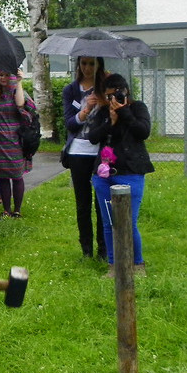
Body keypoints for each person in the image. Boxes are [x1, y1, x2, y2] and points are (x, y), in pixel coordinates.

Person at [87, 73, 155, 275]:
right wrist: (110, 122)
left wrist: (124, 113)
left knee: (128, 222)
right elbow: (93, 137)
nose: (112, 100)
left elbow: (143, 131)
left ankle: (137, 264)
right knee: (109, 222)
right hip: (104, 175)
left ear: (126, 92)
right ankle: (114, 265)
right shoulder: (103, 112)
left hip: (131, 172)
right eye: (108, 96)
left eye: (116, 95)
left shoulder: (137, 107)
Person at [62, 56, 108, 260]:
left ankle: (103, 249)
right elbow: (70, 124)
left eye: (92, 63)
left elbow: (114, 119)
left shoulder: (106, 87)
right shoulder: (71, 90)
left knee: (102, 203)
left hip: (101, 153)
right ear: (78, 65)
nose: (87, 68)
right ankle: (86, 250)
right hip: (78, 152)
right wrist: (86, 109)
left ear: (99, 65)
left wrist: (105, 100)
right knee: (83, 203)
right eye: (84, 63)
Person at [0, 69, 35, 218]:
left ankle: (17, 210)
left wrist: (19, 82)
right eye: (1, 75)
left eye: (7, 75)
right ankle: (6, 210)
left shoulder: (16, 91)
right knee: (3, 177)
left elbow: (21, 105)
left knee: (17, 176)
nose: (3, 78)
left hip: (16, 141)